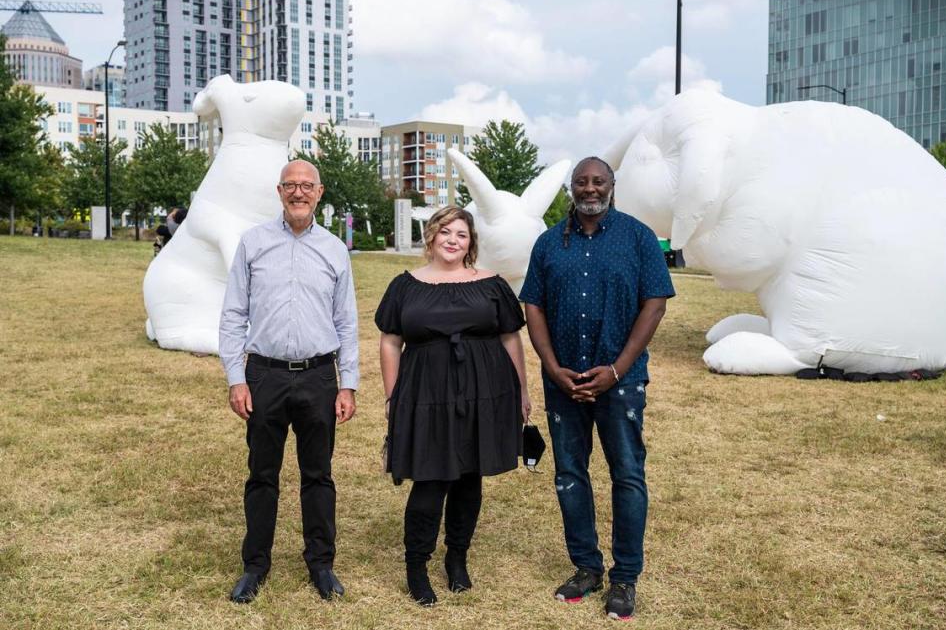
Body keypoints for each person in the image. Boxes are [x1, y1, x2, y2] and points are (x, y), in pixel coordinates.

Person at [519, 157, 675, 621]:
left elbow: (654, 304)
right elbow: (533, 307)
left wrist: (617, 368)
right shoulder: (549, 243)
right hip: (562, 380)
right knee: (570, 474)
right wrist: (553, 368)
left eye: (599, 181)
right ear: (572, 187)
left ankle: (625, 577)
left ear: (612, 185)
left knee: (627, 474)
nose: (590, 188)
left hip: (620, 382)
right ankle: (586, 568)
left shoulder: (638, 237)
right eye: (582, 181)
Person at [375, 206, 532, 606]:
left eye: (461, 235)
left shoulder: (492, 285)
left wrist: (522, 391)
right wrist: (393, 397)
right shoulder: (405, 286)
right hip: (426, 392)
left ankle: (457, 559)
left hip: (485, 390)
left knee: (469, 476)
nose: (452, 240)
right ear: (431, 236)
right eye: (446, 232)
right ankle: (417, 566)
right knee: (431, 478)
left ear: (471, 243)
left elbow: (511, 338)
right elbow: (390, 341)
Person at [218, 159, 359, 604]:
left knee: (318, 475)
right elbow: (233, 314)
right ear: (279, 191)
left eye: (307, 186)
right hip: (265, 376)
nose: (299, 193)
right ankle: (255, 566)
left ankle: (321, 564)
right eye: (291, 185)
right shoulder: (253, 243)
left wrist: (347, 384)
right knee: (262, 475)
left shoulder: (335, 249)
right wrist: (236, 379)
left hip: (318, 376)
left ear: (319, 193)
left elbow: (347, 322)